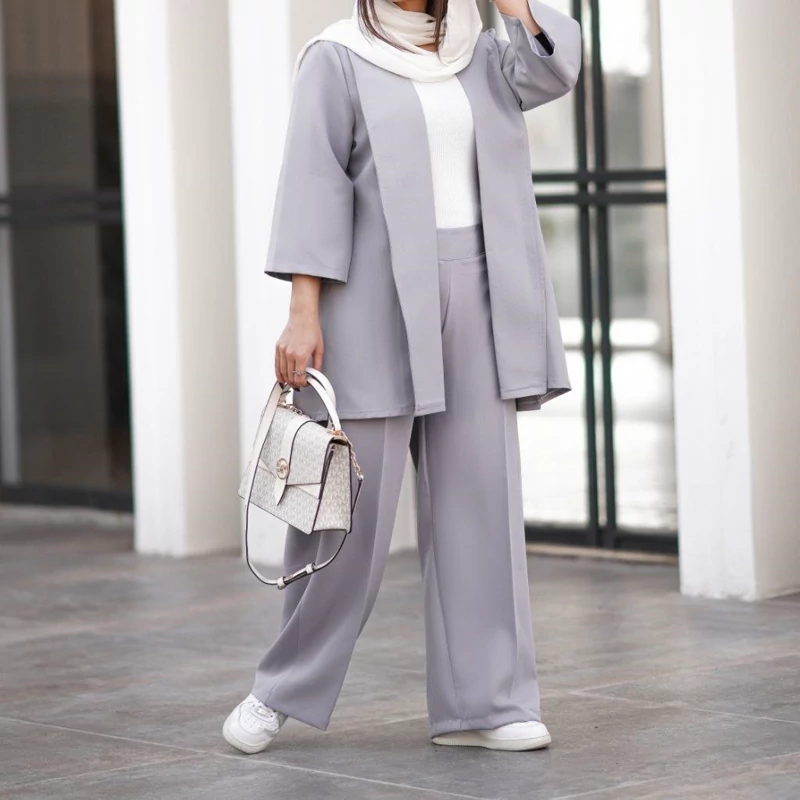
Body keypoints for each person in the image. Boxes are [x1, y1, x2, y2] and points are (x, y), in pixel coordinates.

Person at [223, 0, 581, 753]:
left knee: (481, 504)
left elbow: (554, 70)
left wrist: (514, 6)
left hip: (479, 292)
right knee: (346, 513)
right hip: (371, 298)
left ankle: (487, 703)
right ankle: (278, 689)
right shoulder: (338, 57)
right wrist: (302, 312)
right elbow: (313, 184)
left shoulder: (483, 51)